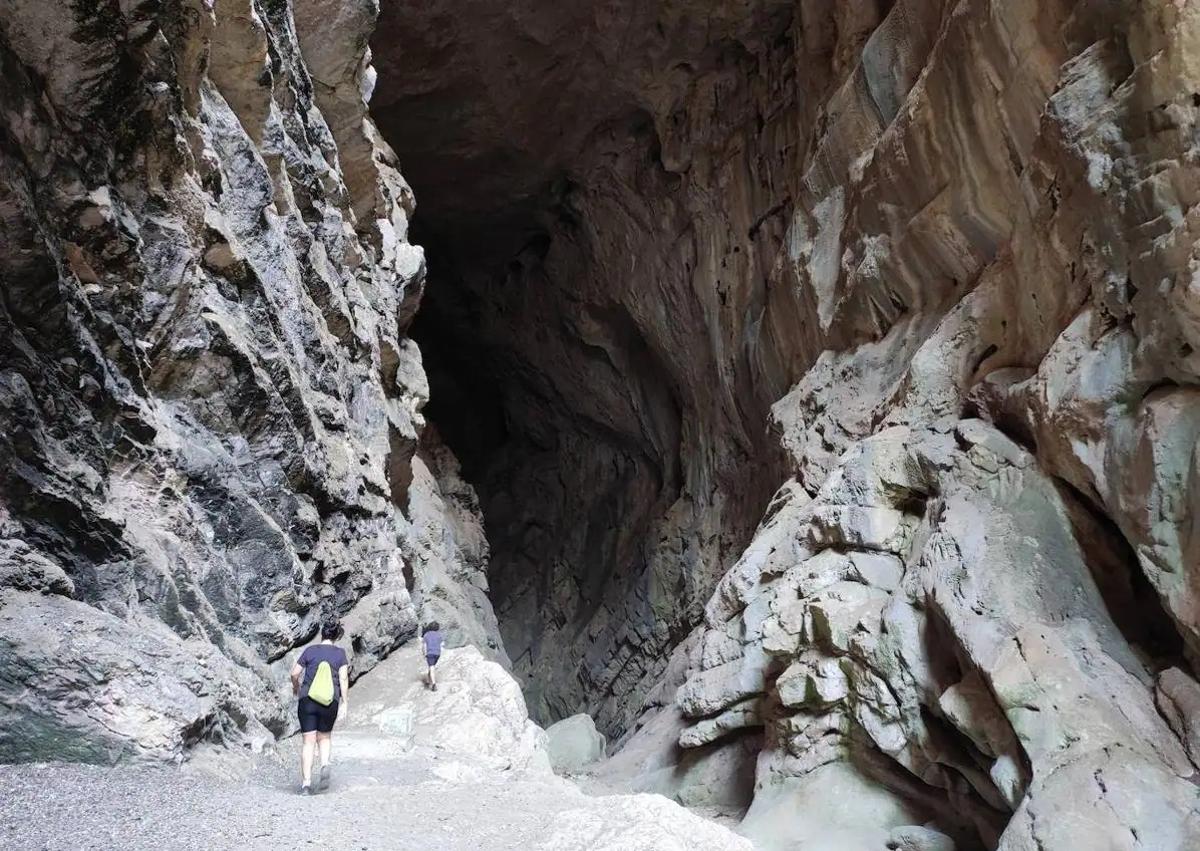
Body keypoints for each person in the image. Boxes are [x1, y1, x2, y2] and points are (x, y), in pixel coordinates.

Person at [290, 620, 350, 795]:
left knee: (308, 742)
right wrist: (344, 702)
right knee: (324, 738)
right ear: (336, 636)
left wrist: (296, 688)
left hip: (307, 700)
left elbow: (294, 673)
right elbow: (343, 679)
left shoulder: (310, 651)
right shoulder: (340, 654)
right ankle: (324, 764)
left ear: (322, 634)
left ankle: (306, 785)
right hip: (329, 702)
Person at [422, 622, 444, 691]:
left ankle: (434, 684)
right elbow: (441, 644)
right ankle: (429, 681)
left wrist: (424, 654)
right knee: (431, 667)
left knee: (431, 667)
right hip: (437, 653)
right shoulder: (439, 635)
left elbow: (424, 646)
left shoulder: (426, 635)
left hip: (430, 653)